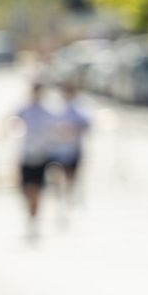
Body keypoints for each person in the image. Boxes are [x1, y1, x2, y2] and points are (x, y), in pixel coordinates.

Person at [15, 82, 56, 242]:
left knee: (37, 190)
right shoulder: (25, 109)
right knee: (26, 190)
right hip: (27, 154)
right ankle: (30, 213)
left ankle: (34, 218)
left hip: (41, 155)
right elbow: (12, 120)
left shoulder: (48, 111)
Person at [50, 82, 93, 211]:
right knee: (56, 175)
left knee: (71, 177)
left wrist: (73, 129)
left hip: (73, 149)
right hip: (57, 149)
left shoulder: (80, 108)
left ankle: (68, 197)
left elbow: (87, 125)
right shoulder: (56, 108)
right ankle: (59, 198)